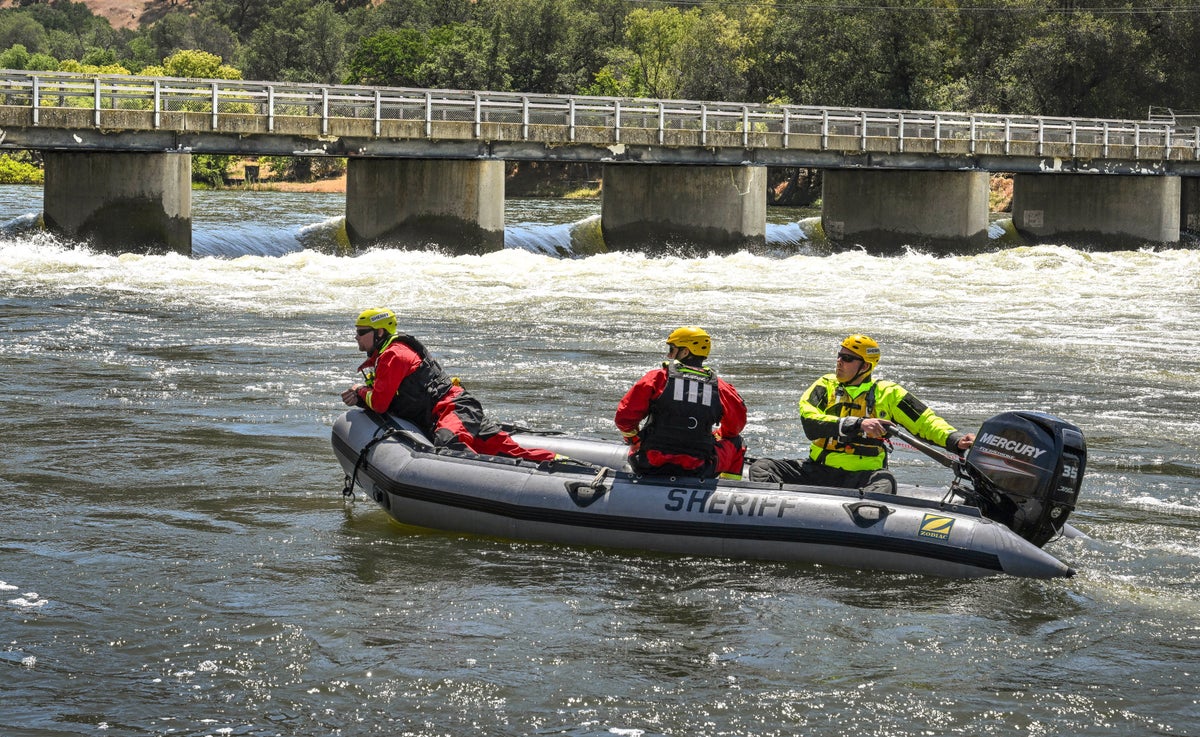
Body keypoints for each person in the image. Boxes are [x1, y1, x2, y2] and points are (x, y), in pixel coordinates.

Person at [748, 334, 974, 490]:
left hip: (863, 477)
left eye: (846, 359)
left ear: (865, 366)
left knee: (885, 482)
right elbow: (810, 421)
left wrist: (955, 440)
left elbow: (925, 422)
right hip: (818, 470)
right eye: (838, 356)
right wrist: (857, 424)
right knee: (762, 468)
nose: (839, 362)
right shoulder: (824, 385)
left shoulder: (888, 393)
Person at [340, 307, 556, 463]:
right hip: (446, 413)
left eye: (361, 332)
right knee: (509, 453)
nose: (356, 337)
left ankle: (566, 466)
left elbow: (379, 403)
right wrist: (361, 397)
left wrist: (359, 390)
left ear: (379, 332)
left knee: (452, 447)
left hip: (453, 409)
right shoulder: (384, 357)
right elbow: (385, 398)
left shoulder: (394, 355)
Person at [615, 326, 748, 479]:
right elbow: (735, 427)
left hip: (649, 463)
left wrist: (634, 439)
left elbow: (624, 418)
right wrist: (717, 435)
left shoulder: (657, 378)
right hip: (698, 468)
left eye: (672, 349)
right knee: (737, 442)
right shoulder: (721, 388)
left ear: (685, 352)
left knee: (637, 438)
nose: (668, 354)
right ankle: (726, 490)